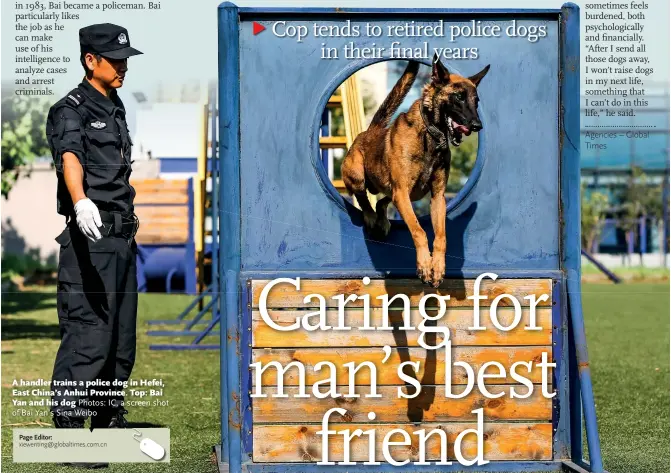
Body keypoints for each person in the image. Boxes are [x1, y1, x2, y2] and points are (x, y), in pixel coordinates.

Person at [45, 23, 143, 451]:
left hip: (121, 240)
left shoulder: (115, 104)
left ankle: (107, 423)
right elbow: (71, 157)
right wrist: (80, 200)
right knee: (90, 337)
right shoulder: (70, 109)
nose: (123, 67)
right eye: (115, 60)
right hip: (90, 238)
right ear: (90, 60)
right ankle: (68, 434)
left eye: (125, 59)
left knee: (121, 340)